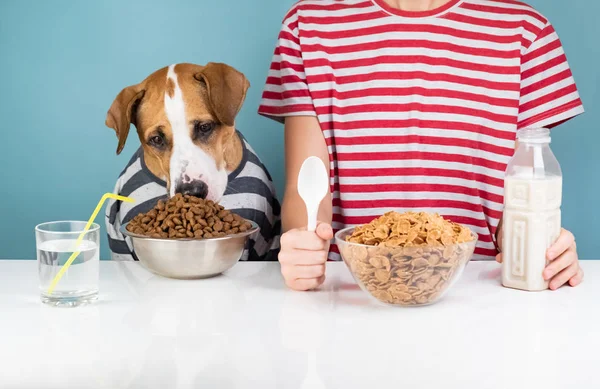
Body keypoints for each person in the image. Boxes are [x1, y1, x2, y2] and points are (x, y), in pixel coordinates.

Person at [258, 0, 585, 291]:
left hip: (481, 290)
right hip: (352, 288)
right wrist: (303, 248)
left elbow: (521, 199)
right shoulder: (307, 25)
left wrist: (541, 246)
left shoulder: (526, 31)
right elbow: (309, 188)